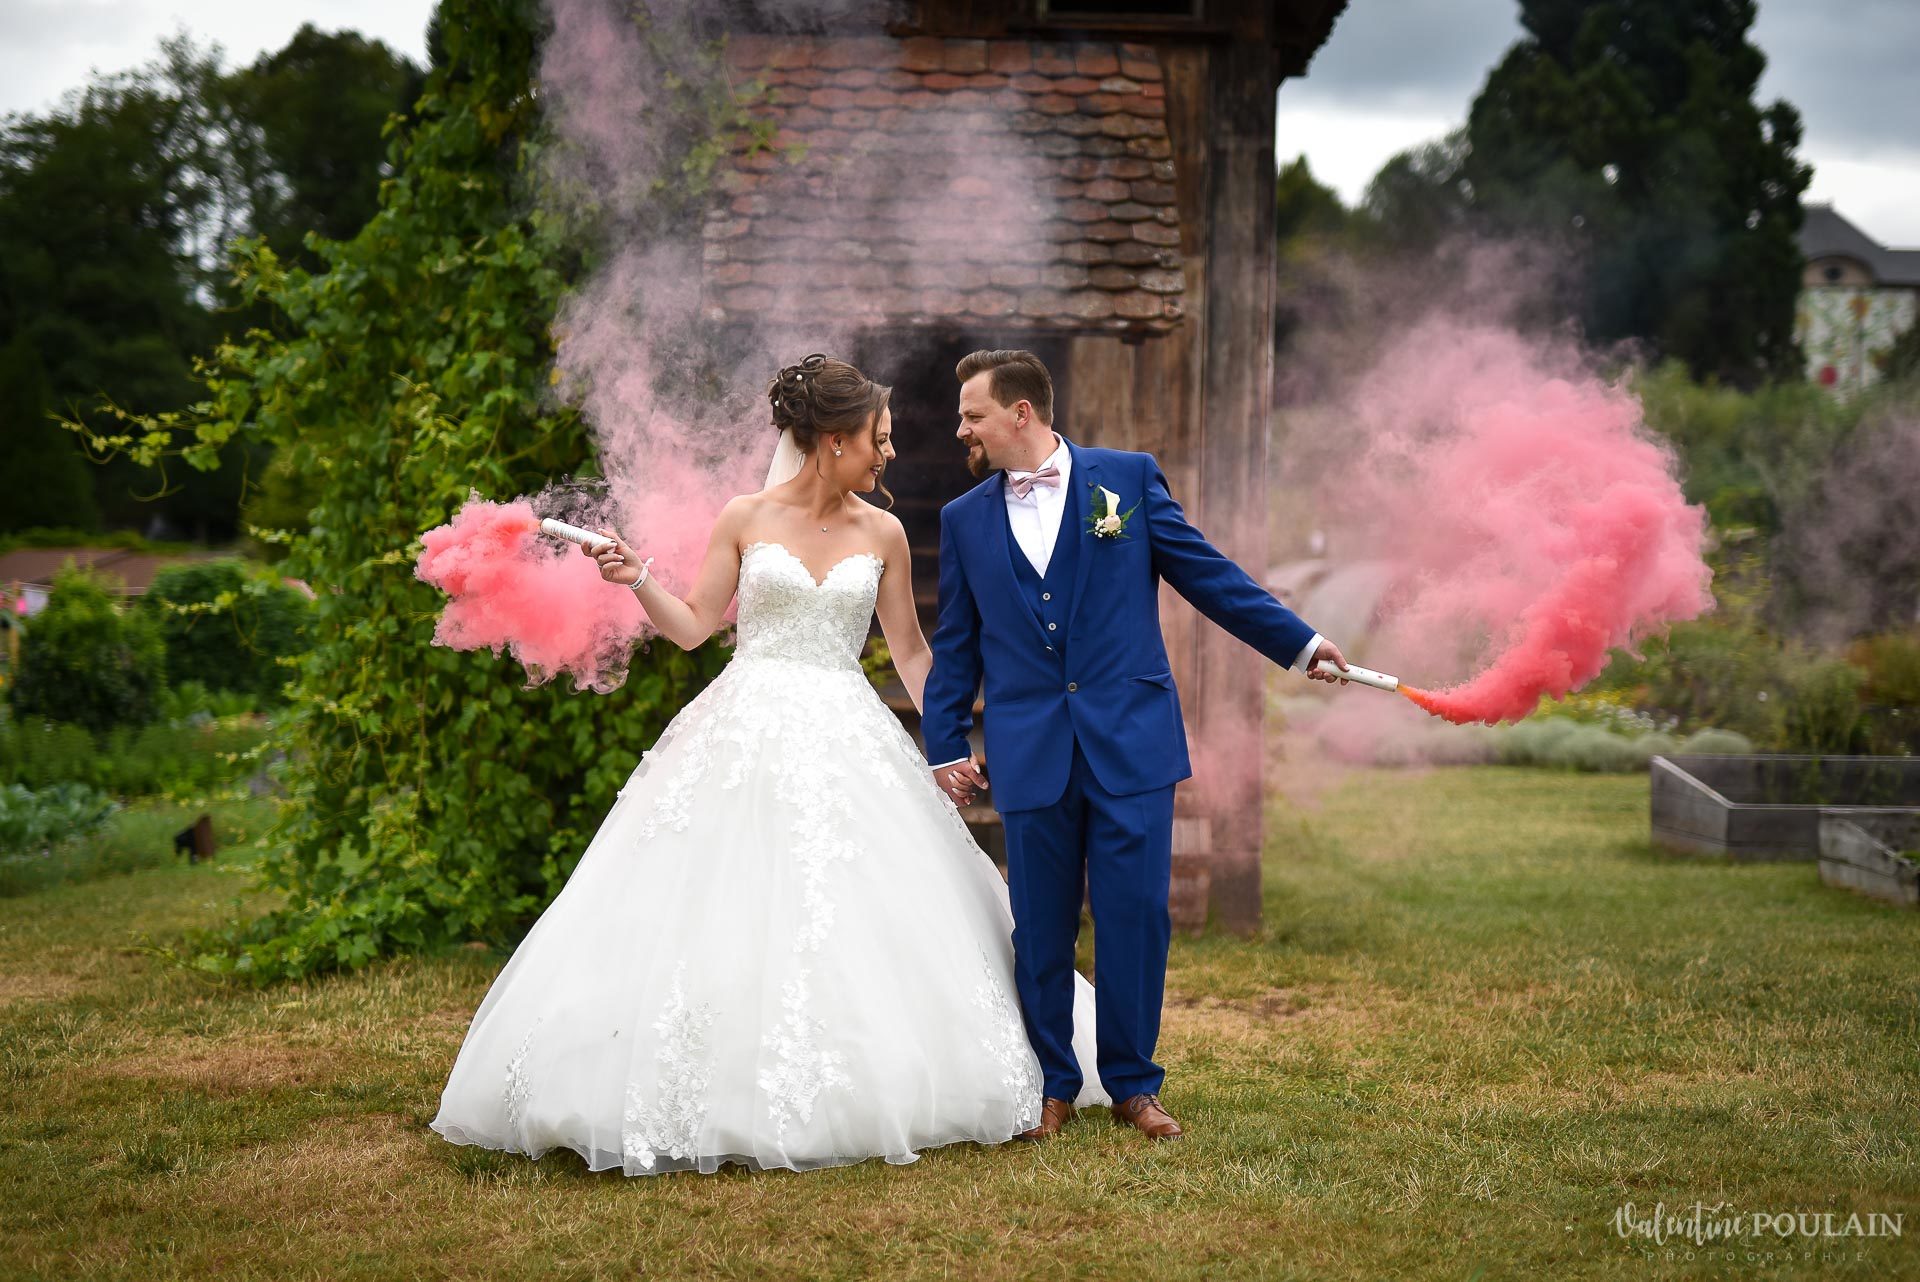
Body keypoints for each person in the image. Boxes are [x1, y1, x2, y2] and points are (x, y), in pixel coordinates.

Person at [429, 354, 1106, 1176]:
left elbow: (913, 653)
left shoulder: (884, 533)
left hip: (848, 729)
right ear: (834, 440)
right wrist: (637, 577)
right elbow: (692, 627)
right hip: (743, 727)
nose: (890, 452)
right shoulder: (745, 518)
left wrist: (948, 743)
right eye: (880, 437)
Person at [920, 349, 1349, 1143]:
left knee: (1137, 916)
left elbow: (1210, 577)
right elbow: (957, 643)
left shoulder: (1126, 480)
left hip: (1133, 740)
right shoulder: (964, 518)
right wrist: (944, 742)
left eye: (973, 414)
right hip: (1030, 747)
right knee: (1039, 927)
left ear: (1021, 413)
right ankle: (1052, 1085)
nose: (961, 429)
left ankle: (1133, 1084)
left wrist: (1300, 643)